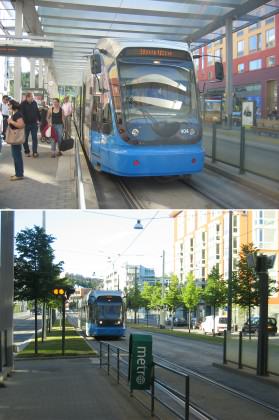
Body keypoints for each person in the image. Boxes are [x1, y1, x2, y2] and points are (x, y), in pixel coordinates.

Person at [7, 100, 25, 180]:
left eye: (9, 104)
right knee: (16, 156)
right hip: (15, 137)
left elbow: (21, 125)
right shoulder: (16, 113)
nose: (8, 106)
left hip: (16, 137)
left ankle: (19, 174)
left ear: (13, 105)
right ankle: (18, 173)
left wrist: (11, 121)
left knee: (17, 156)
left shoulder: (17, 114)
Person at [20, 92, 41, 157]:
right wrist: (22, 122)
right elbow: (21, 114)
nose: (33, 98)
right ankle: (27, 151)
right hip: (26, 124)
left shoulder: (34, 103)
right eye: (32, 97)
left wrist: (40, 120)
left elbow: (37, 111)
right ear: (27, 97)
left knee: (34, 138)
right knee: (25, 139)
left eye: (33, 97)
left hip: (34, 124)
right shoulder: (23, 104)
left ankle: (35, 152)